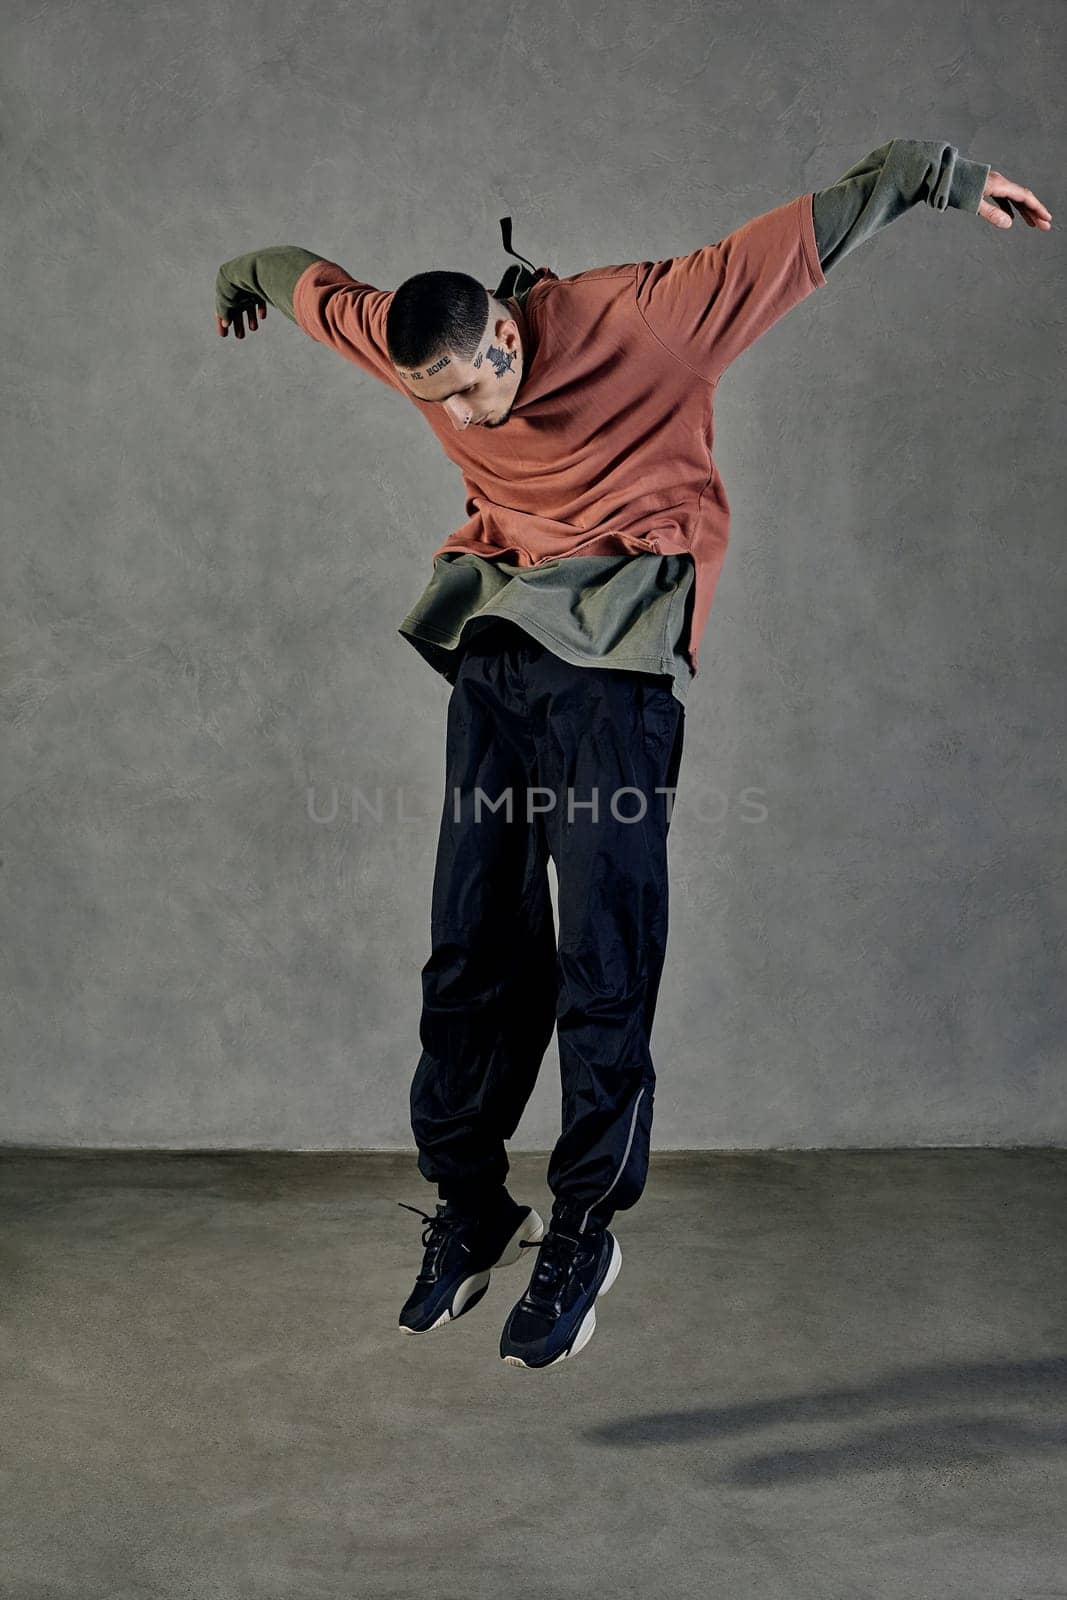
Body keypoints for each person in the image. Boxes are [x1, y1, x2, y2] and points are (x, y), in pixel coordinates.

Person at [215, 139, 1050, 1370]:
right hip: (500, 644)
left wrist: (943, 176)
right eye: (431, 397)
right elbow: (305, 281)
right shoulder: (417, 350)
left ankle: (585, 1223)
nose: (451, 416)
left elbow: (804, 234)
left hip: (614, 660)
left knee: (601, 949)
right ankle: (471, 1200)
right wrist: (239, 272)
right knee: (465, 943)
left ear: (505, 335)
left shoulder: (648, 317)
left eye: (465, 390)